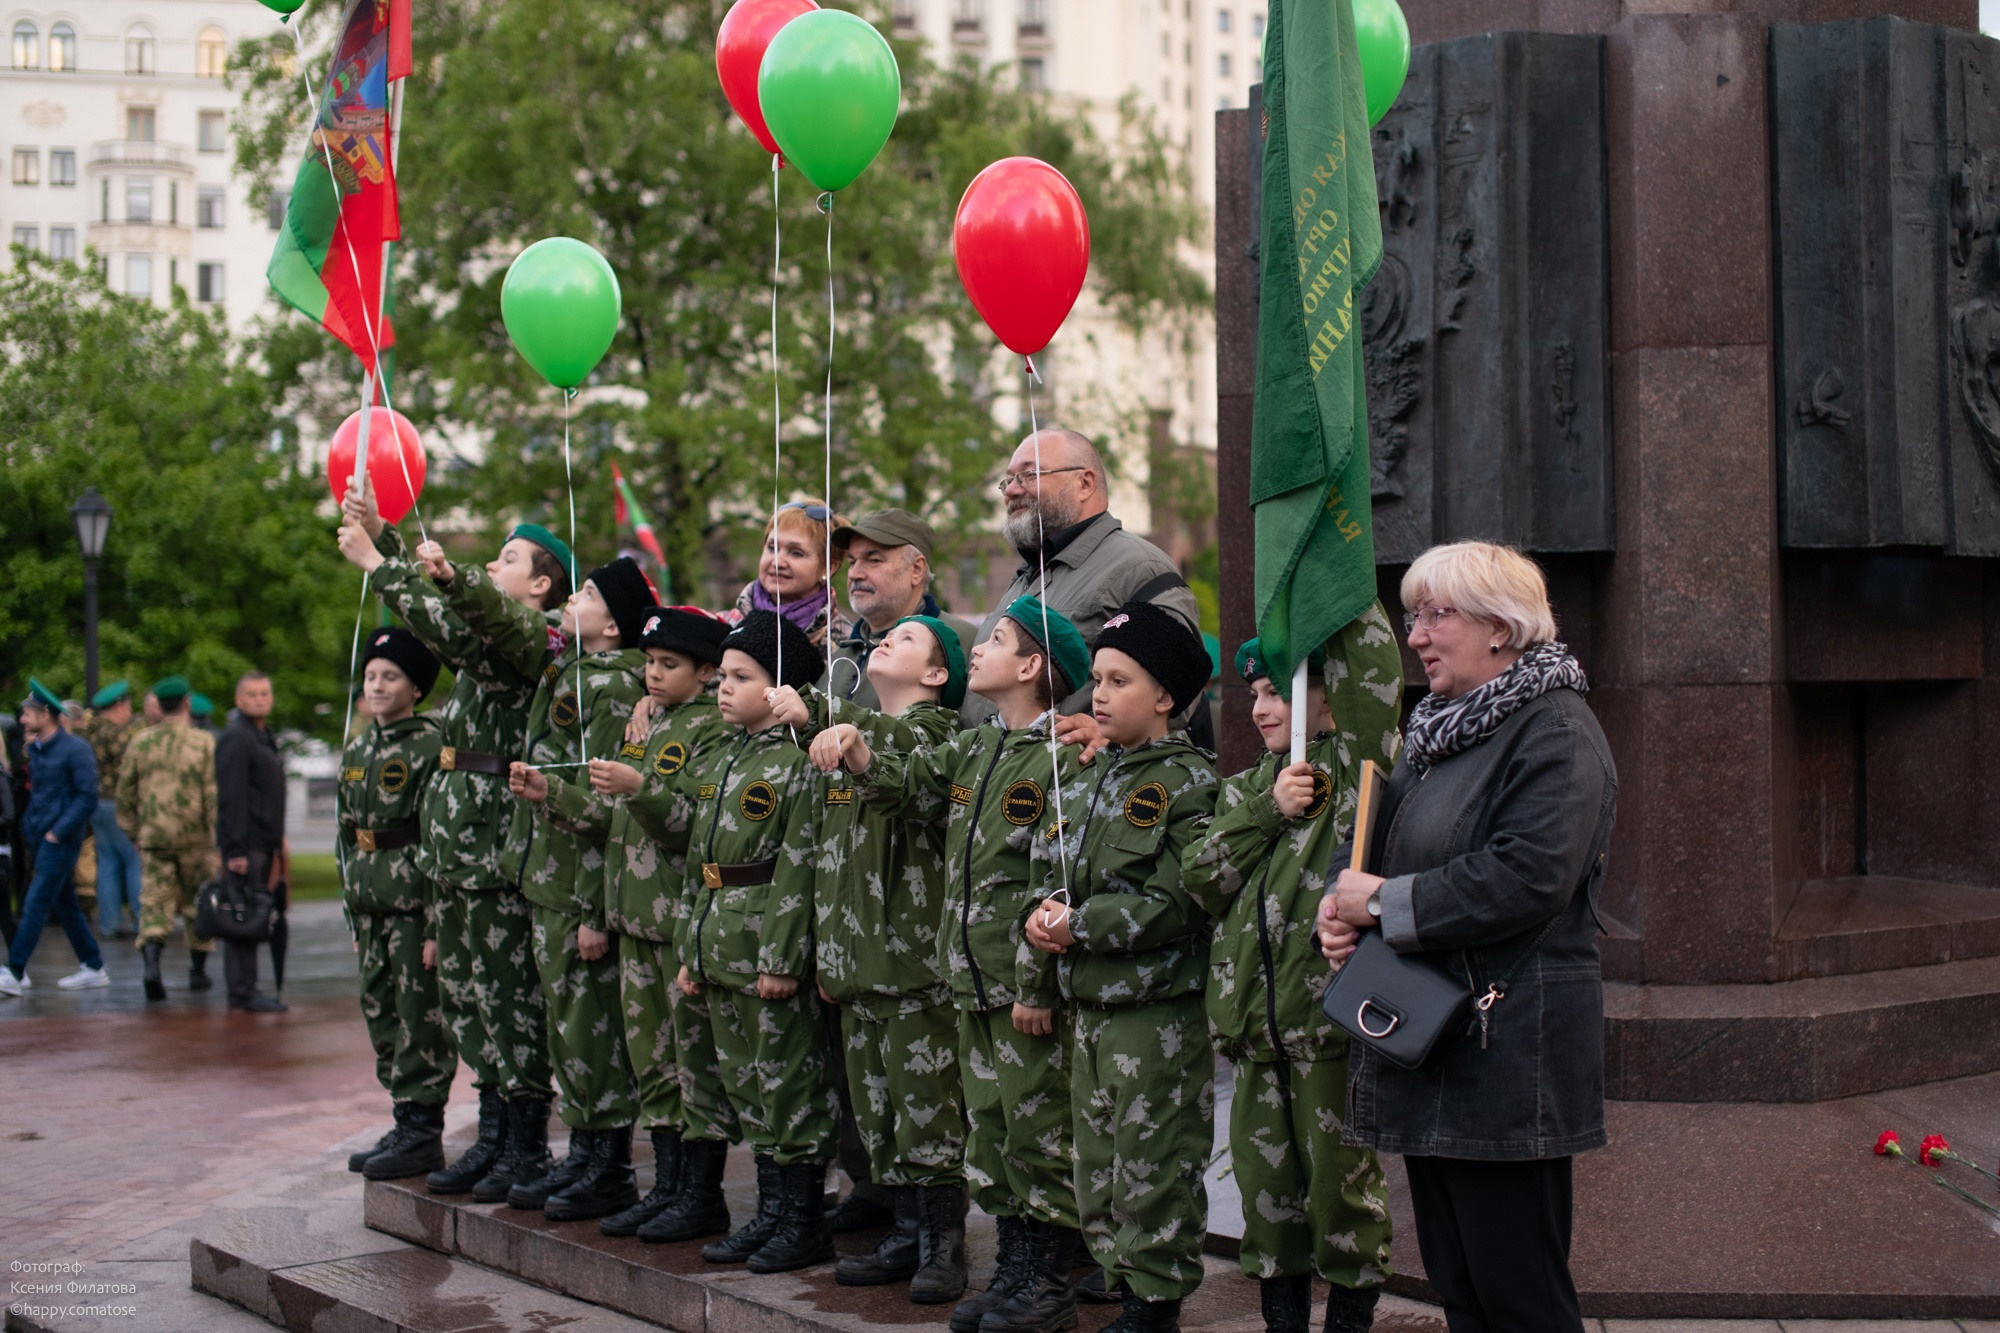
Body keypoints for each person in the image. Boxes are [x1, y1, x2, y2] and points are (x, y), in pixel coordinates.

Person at [1316, 542, 1617, 1333]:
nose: (1415, 634)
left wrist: (1382, 905)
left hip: (1510, 1055)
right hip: (1442, 1043)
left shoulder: (1556, 731)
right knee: (1463, 1286)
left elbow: (1528, 875)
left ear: (1501, 628)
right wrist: (1341, 910)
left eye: (1435, 613)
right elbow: (1388, 858)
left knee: (1519, 1296)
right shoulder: (1444, 732)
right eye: (1413, 613)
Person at [826, 597, 1091, 1333]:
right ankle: (1012, 1270)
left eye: (997, 640)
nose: (979, 649)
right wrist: (857, 749)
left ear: (1034, 666)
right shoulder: (978, 747)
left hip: (1021, 985)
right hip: (968, 980)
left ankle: (1046, 1281)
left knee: (1039, 1135)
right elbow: (911, 781)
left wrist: (1036, 983)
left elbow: (1056, 883)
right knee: (996, 1137)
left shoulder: (1061, 756)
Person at [1180, 612, 1404, 1333]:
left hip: (1330, 1032)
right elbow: (1201, 878)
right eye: (1255, 694)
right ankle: (1282, 1322)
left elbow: (1377, 678)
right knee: (1265, 1196)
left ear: (1330, 690)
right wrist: (1269, 814)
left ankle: (1347, 1321)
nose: (1262, 707)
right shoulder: (1252, 788)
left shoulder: (1363, 772)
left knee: (1342, 1197)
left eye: (1281, 690)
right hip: (1254, 1037)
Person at [338, 496, 565, 1205]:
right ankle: (495, 1135)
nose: (491, 565)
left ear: (541, 586)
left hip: (495, 851)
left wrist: (382, 565)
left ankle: (524, 1145)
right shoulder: (488, 636)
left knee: (508, 1002)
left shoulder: (534, 640)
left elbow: (456, 631)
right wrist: (388, 536)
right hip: (461, 856)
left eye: (508, 559)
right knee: (474, 1003)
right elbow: (455, 621)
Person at [1022, 601, 1218, 1333]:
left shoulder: (1189, 784)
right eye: (1096, 678)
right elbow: (1052, 869)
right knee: (1098, 1166)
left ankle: (1154, 1307)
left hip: (1154, 1014)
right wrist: (1042, 920)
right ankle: (1125, 1290)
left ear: (1165, 695)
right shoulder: (1093, 774)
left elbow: (1179, 900)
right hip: (1091, 1010)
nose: (1097, 694)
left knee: (1154, 1164)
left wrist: (1081, 924)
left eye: (1119, 680)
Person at [771, 613, 971, 1303]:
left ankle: (943, 1243)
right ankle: (905, 1225)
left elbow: (896, 760)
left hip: (914, 967)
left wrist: (832, 715)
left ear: (938, 675)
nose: (888, 639)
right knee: (879, 1112)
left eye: (910, 639)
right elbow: (828, 859)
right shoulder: (845, 737)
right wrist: (828, 950)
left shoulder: (938, 735)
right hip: (858, 965)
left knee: (929, 1110)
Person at [629, 611, 835, 1273]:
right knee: (747, 1085)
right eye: (723, 674)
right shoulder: (728, 756)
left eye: (742, 676)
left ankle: (802, 1221)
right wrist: (691, 952)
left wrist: (780, 960)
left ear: (781, 691)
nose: (723, 686)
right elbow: (702, 863)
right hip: (719, 944)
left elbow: (799, 866)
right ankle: (771, 1212)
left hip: (762, 951)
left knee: (786, 1085)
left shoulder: (796, 763)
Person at [535, 606, 732, 1240]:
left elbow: (692, 827)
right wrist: (554, 795)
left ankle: (700, 1195)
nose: (652, 675)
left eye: (668, 665)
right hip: (633, 919)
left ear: (706, 671)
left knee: (690, 1062)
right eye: (648, 663)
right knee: (650, 1062)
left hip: (674, 923)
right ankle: (667, 1186)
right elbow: (612, 823)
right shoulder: (647, 726)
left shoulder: (710, 732)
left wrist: (639, 784)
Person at [500, 557, 655, 1223]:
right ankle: (587, 1150)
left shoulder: (615, 684)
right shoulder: (575, 671)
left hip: (581, 882)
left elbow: (607, 807)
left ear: (615, 623)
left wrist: (595, 907)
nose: (574, 598)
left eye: (588, 594)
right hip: (552, 874)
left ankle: (608, 1162)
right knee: (569, 1025)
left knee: (591, 1027)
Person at [966, 429, 1205, 745]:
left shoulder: (1139, 568)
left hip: (1072, 786)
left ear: (1085, 483)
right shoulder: (1027, 574)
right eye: (1007, 480)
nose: (1010, 490)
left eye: (1028, 475)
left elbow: (1181, 689)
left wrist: (1106, 732)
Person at [339, 628, 458, 1180]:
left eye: (390, 676)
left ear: (416, 687)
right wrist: (350, 905)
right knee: (380, 1008)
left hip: (411, 902)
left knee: (419, 1016)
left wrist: (436, 924)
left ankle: (422, 1128)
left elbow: (436, 836)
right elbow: (347, 831)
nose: (378, 686)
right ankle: (402, 1113)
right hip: (369, 902)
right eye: (371, 676)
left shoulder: (430, 744)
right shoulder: (360, 746)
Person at [0, 680, 107, 995]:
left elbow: (87, 797)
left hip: (59, 840)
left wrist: (57, 832)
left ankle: (15, 970)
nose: (22, 720)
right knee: (66, 904)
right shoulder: (37, 748)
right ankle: (93, 965)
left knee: (35, 901)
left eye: (27, 713)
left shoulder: (76, 749)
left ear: (45, 713)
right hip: (41, 838)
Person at [117, 676, 218, 1001]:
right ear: (187, 703)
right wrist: (216, 837)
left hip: (155, 838)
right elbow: (212, 793)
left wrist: (134, 831)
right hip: (196, 839)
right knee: (196, 905)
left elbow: (124, 793)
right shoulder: (203, 743)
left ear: (158, 706)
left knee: (154, 904)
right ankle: (198, 971)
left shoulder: (141, 742)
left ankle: (151, 967)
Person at [827, 509, 977, 715]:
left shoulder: (966, 643)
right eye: (852, 562)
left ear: (916, 569)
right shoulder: (841, 652)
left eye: (874, 560)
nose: (854, 574)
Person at [215, 671, 288, 1013]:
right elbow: (231, 796)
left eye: (264, 693)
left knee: (256, 913)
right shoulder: (237, 737)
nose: (259, 699)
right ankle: (242, 991)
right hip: (247, 844)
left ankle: (248, 986)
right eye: (252, 694)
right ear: (238, 699)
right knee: (242, 915)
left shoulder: (262, 735)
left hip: (265, 841)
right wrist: (235, 850)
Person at [722, 499, 855, 651]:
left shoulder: (847, 644)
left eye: (796, 553)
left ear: (828, 567)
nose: (778, 563)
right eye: (772, 548)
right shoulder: (721, 628)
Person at [79, 681, 144, 939]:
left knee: (106, 863)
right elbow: (129, 770)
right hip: (118, 804)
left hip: (95, 804)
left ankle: (109, 924)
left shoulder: (88, 731)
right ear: (119, 706)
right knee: (133, 861)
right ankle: (142, 922)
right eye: (128, 707)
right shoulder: (116, 733)